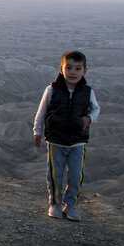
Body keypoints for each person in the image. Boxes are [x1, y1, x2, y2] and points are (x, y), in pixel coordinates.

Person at [33, 50, 100, 222]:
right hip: (55, 141)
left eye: (78, 68)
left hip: (77, 142)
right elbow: (42, 112)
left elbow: (96, 108)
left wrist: (89, 119)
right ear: (61, 69)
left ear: (85, 71)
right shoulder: (52, 89)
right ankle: (55, 204)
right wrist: (37, 131)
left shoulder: (87, 91)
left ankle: (71, 206)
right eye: (68, 67)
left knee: (75, 175)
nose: (73, 72)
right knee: (55, 174)